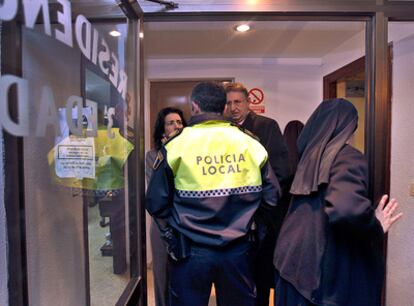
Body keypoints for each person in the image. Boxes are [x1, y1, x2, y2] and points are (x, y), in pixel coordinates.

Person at [146, 82, 280, 306]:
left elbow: (155, 203)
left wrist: (173, 238)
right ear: (224, 107)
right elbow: (272, 198)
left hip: (190, 251)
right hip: (239, 250)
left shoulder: (175, 146)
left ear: (194, 106)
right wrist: (252, 233)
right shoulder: (250, 143)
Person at [273, 98, 403, 306]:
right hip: (321, 272)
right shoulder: (347, 157)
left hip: (291, 263)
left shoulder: (308, 158)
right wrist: (375, 225)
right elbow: (346, 208)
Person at [225, 82, 291, 306]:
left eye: (238, 102)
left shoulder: (266, 126)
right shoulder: (221, 130)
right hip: (229, 219)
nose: (233, 107)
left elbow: (281, 171)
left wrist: (257, 204)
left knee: (260, 279)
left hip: (259, 217)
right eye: (228, 102)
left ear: (248, 102)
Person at [145, 107, 186, 306]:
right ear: (163, 130)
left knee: (183, 275)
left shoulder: (190, 153)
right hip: (162, 225)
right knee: (161, 274)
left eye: (179, 122)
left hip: (185, 224)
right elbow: (158, 194)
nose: (177, 126)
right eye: (171, 123)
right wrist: (166, 150)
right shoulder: (153, 156)